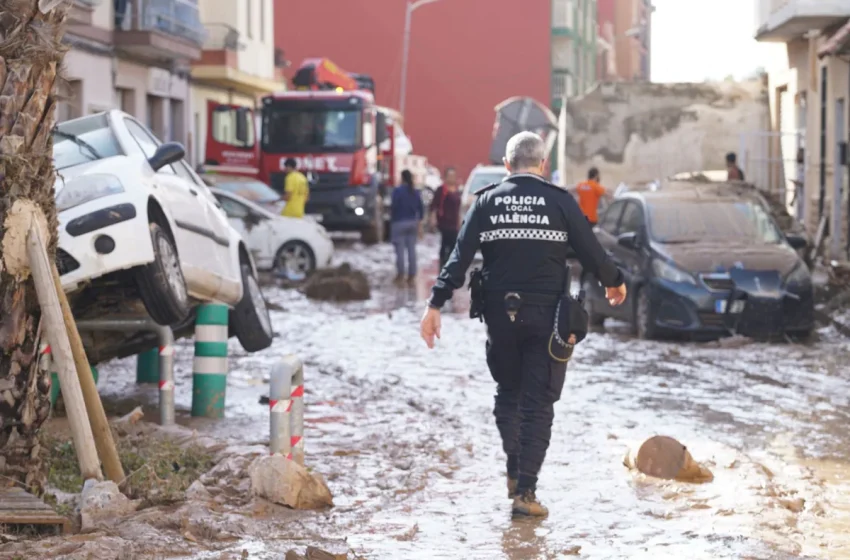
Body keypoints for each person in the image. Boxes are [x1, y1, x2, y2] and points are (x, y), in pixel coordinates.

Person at [419, 132, 627, 517]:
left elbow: (458, 258)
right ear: (543, 165)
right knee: (538, 402)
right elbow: (592, 251)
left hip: (500, 315)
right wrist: (613, 280)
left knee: (507, 392)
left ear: (506, 164)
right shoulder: (560, 201)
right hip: (547, 317)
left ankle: (515, 469)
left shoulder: (486, 201)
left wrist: (434, 304)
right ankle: (526, 493)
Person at [390, 169, 424, 283]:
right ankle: (412, 275)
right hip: (412, 223)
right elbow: (421, 208)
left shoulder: (397, 191)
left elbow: (394, 206)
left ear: (402, 178)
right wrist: (419, 223)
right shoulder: (415, 191)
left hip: (399, 222)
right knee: (411, 250)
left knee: (400, 251)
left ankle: (401, 274)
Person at [430, 166, 462, 268]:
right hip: (444, 223)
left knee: (453, 246)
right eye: (450, 176)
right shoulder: (441, 190)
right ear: (445, 177)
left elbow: (458, 208)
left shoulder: (457, 191)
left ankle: (450, 267)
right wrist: (433, 218)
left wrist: (460, 222)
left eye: (453, 176)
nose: (452, 178)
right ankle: (442, 267)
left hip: (454, 223)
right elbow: (434, 206)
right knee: (445, 245)